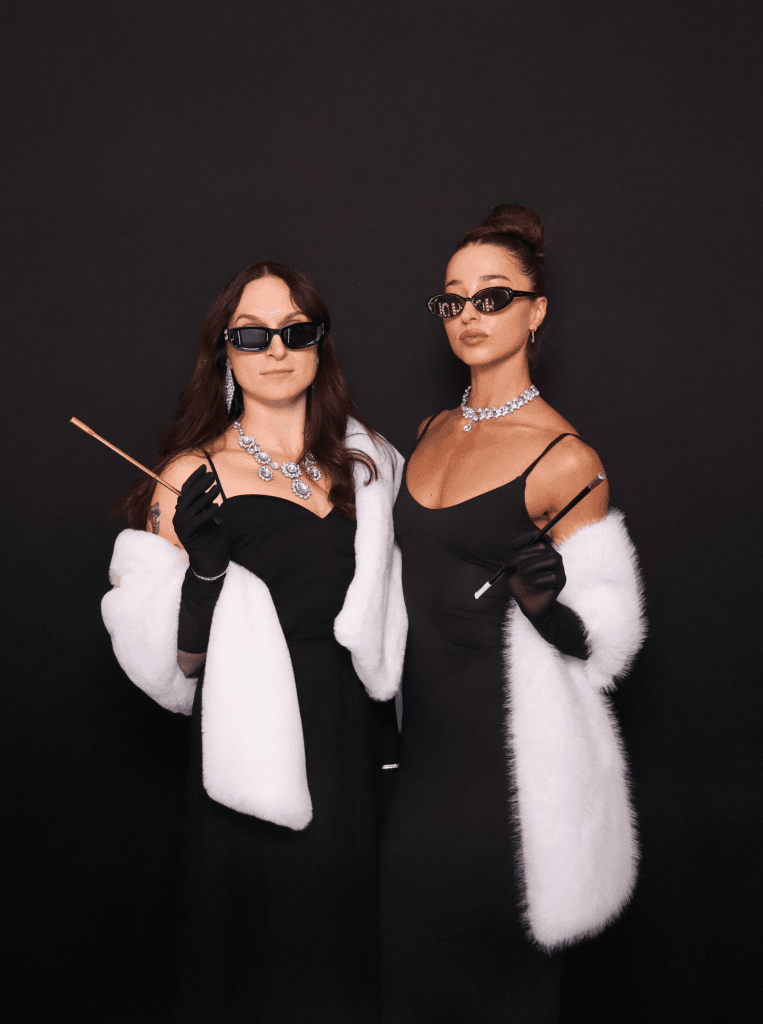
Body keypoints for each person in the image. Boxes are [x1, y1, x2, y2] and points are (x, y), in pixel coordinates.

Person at [102, 260, 406, 1023]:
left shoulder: (370, 466)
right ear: (224, 354)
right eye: (252, 334)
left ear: (319, 344)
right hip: (253, 762)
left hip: (359, 761)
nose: (276, 348)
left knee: (354, 979)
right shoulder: (189, 475)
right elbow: (173, 672)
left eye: (295, 331)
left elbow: (405, 621)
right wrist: (203, 575)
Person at [380, 206, 646, 1023]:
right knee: (406, 982)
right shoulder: (427, 431)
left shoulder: (564, 456)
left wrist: (552, 609)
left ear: (536, 311)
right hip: (416, 768)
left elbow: (609, 640)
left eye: (491, 297)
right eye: (453, 300)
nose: (469, 315)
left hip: (506, 785)